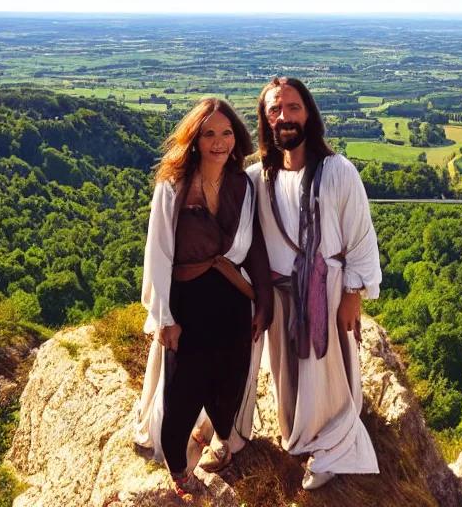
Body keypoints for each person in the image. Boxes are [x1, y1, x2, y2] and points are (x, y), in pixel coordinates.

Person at [245, 77, 382, 490]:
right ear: (266, 121)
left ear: (308, 114)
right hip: (282, 296)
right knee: (289, 373)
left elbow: (359, 235)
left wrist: (353, 295)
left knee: (326, 375)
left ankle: (331, 447)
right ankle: (299, 436)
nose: (283, 117)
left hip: (327, 291)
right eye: (275, 110)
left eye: (292, 107)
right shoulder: (257, 178)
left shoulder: (338, 171)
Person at [134, 97, 273, 497]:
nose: (218, 142)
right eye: (209, 133)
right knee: (183, 390)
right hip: (188, 301)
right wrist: (163, 317)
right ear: (194, 139)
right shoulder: (173, 185)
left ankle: (222, 442)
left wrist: (261, 302)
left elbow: (251, 246)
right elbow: (158, 253)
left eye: (226, 133)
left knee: (230, 381)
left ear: (237, 138)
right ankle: (179, 472)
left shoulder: (242, 184)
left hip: (231, 296)